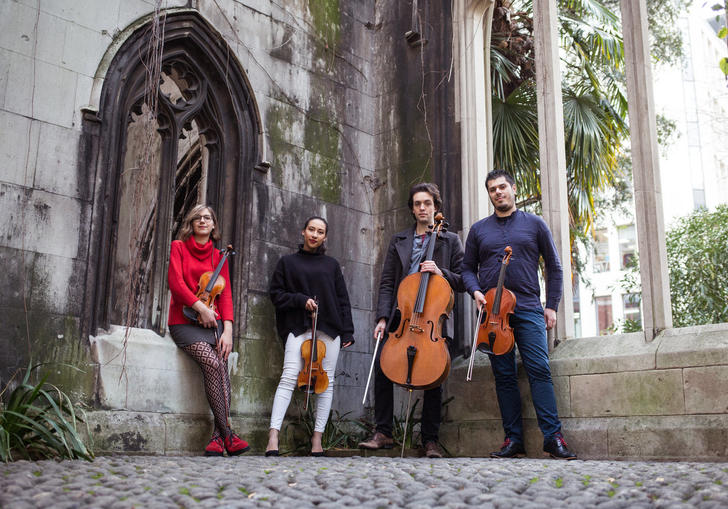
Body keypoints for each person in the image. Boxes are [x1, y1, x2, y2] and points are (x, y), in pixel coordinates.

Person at [462, 169, 576, 460]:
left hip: (527, 308)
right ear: (489, 194)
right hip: (493, 313)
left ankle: (553, 438)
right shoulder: (478, 230)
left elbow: (555, 266)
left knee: (539, 370)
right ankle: (513, 440)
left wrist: (551, 305)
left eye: (502, 187)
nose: (497, 193)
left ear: (513, 188)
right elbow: (466, 269)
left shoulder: (534, 224)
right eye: (492, 189)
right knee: (504, 376)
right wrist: (476, 291)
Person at [358, 183, 464, 458]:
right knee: (383, 367)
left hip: (433, 319)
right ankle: (383, 432)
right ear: (412, 209)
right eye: (417, 204)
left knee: (433, 377)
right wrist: (382, 317)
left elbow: (463, 280)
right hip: (401, 314)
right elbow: (387, 282)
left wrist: (441, 272)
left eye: (427, 203)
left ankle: (430, 440)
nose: (422, 208)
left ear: (435, 207)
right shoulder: (399, 240)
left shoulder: (449, 240)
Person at [266, 216, 355, 456]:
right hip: (298, 326)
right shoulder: (287, 263)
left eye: (320, 232)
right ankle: (273, 435)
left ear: (325, 237)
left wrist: (348, 330)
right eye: (311, 230)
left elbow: (342, 299)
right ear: (303, 231)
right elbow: (276, 294)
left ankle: (317, 439)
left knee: (326, 384)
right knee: (289, 376)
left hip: (330, 328)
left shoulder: (332, 265)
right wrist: (299, 300)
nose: (315, 235)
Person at [167, 204, 250, 456]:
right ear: (191, 224)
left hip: (214, 323)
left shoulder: (219, 256)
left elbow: (224, 296)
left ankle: (217, 438)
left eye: (207, 218)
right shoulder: (178, 247)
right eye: (197, 218)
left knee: (222, 367)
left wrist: (228, 330)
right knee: (213, 364)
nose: (202, 221)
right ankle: (229, 435)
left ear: (213, 225)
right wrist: (199, 308)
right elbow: (176, 283)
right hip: (183, 322)